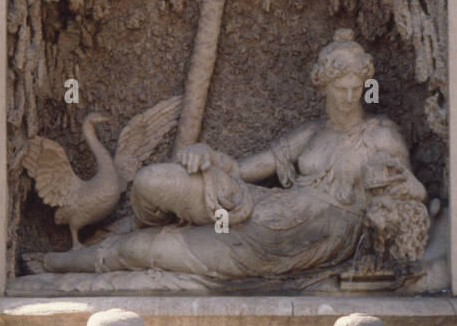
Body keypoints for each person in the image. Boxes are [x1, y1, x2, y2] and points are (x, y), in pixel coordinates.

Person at [43, 29, 429, 282]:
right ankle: (131, 228)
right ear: (323, 86)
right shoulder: (311, 133)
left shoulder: (381, 135)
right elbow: (247, 169)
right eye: (340, 87)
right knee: (151, 180)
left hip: (297, 239)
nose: (349, 97)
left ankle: (59, 263)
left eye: (357, 87)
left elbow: (413, 196)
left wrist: (398, 187)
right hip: (265, 207)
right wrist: (207, 154)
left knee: (153, 250)